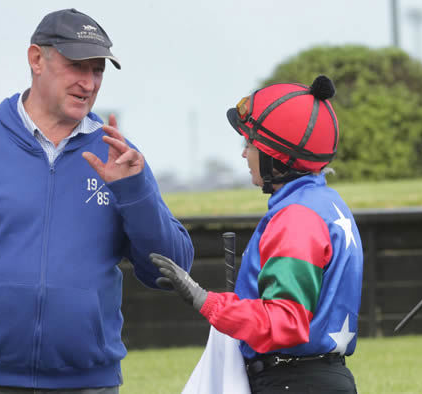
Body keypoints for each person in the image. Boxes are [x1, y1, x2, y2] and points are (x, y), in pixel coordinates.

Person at [0, 8, 194, 394]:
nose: (89, 82)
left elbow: (173, 270)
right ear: (36, 60)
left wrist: (135, 193)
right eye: (76, 66)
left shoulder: (120, 156)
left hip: (88, 384)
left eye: (97, 70)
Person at [151, 75, 363, 393]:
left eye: (250, 143)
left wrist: (204, 300)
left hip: (290, 382)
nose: (244, 154)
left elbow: (285, 322)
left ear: (276, 156)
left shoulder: (296, 218)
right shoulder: (329, 204)